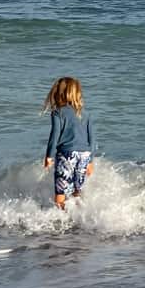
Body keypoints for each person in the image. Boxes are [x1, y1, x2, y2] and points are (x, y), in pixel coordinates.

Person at [42, 76, 94, 210]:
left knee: (61, 191)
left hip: (66, 154)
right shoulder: (85, 113)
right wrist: (91, 161)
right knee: (77, 189)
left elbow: (54, 136)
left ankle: (60, 221)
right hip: (84, 155)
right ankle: (78, 220)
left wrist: (49, 156)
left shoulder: (57, 112)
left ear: (59, 93)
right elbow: (91, 138)